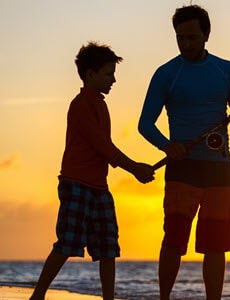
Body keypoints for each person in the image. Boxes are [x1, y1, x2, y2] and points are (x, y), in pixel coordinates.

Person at [137, 4, 230, 300]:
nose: (186, 43)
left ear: (206, 35)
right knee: (174, 241)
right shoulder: (167, 73)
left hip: (219, 170)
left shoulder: (225, 69)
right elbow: (144, 123)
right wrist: (166, 145)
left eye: (191, 37)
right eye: (180, 38)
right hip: (182, 169)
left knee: (216, 245)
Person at [30, 42, 155, 300]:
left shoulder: (100, 104)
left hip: (99, 187)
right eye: (109, 73)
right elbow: (102, 145)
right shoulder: (80, 105)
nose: (114, 79)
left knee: (108, 248)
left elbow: (105, 147)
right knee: (66, 243)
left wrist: (134, 168)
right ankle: (38, 296)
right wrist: (134, 169)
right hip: (76, 184)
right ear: (90, 74)